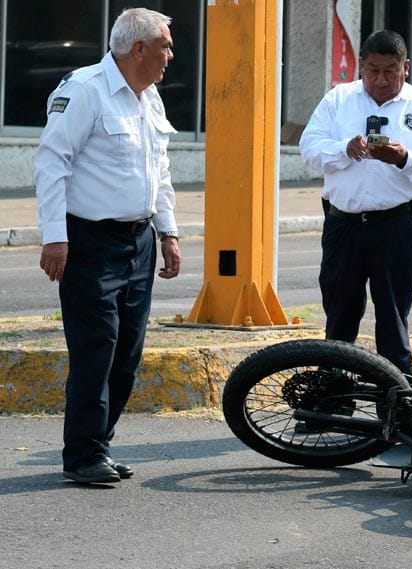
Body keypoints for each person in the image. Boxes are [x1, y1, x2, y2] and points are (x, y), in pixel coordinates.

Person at [34, 8, 182, 484]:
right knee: (96, 349)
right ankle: (81, 455)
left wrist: (169, 231)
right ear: (138, 48)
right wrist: (55, 237)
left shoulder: (148, 97)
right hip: (89, 242)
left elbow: (159, 171)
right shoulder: (84, 90)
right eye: (165, 45)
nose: (170, 55)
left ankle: (99, 443)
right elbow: (51, 162)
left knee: (126, 357)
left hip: (138, 241)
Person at [299, 30, 412, 374]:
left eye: (390, 71)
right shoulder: (339, 100)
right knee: (339, 319)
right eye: (373, 71)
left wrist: (404, 158)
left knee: (393, 323)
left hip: (396, 227)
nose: (381, 80)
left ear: (406, 68)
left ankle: (396, 410)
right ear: (361, 67)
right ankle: (333, 401)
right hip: (344, 225)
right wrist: (344, 149)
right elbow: (308, 148)